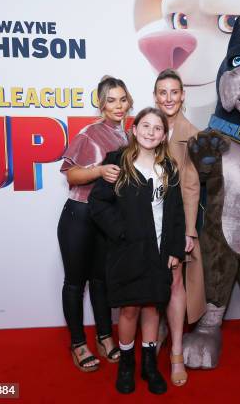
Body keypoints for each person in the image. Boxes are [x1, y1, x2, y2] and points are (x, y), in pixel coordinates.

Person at [89, 107, 186, 395]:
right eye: (145, 126)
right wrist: (121, 232)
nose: (150, 132)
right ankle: (127, 364)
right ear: (134, 129)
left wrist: (174, 249)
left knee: (152, 307)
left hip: (158, 251)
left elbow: (177, 212)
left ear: (164, 135)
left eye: (157, 128)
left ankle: (149, 365)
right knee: (130, 308)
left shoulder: (168, 167)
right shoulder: (117, 163)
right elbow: (98, 204)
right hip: (127, 252)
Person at [57, 76, 131, 372]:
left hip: (105, 217)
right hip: (80, 215)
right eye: (111, 100)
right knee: (75, 283)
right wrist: (99, 170)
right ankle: (78, 343)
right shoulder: (90, 133)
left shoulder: (126, 136)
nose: (118, 105)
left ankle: (104, 337)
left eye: (123, 99)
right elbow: (71, 175)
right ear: (101, 104)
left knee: (102, 281)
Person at [152, 69, 206, 386]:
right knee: (150, 284)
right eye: (163, 92)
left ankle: (176, 353)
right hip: (146, 224)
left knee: (174, 284)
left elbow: (191, 187)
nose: (169, 98)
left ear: (183, 95)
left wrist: (188, 231)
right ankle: (154, 338)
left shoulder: (194, 135)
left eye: (174, 92)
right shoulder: (145, 129)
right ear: (155, 96)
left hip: (174, 224)